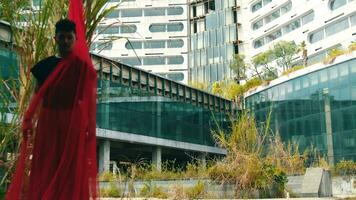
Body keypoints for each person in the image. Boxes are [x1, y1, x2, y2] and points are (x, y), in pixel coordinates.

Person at [5, 1, 98, 198]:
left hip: (72, 126)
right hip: (48, 124)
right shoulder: (45, 67)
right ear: (55, 38)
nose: (65, 41)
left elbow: (88, 101)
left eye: (69, 37)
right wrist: (29, 119)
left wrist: (88, 127)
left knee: (71, 170)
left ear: (75, 39)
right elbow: (36, 96)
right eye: (61, 37)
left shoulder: (82, 69)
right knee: (46, 165)